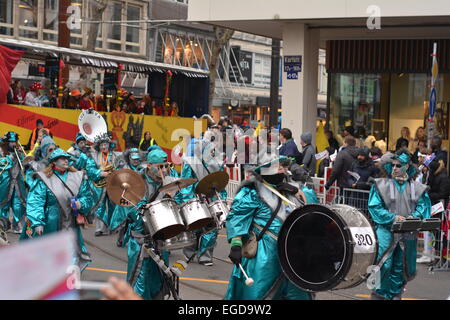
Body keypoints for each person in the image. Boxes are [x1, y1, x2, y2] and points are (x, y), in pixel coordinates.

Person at [225, 155, 313, 300]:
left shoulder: (292, 190)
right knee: (260, 295)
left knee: (296, 294)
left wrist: (299, 193)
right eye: (279, 167)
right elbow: (237, 217)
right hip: (264, 256)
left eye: (284, 167)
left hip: (293, 256)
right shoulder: (251, 192)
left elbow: (312, 213)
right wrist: (236, 244)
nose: (284, 171)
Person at [368, 148, 431, 300]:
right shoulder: (380, 185)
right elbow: (375, 206)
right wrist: (393, 218)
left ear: (407, 167)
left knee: (400, 267)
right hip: (386, 231)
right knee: (384, 264)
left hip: (407, 234)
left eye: (398, 165)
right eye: (393, 165)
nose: (395, 168)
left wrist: (410, 218)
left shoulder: (417, 188)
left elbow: (423, 208)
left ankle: (395, 295)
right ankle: (379, 295)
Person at [20, 148, 94, 271]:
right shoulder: (43, 179)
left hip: (70, 221)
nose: (66, 160)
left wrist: (81, 204)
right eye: (62, 158)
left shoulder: (77, 176)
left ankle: (66, 281)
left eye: (67, 158)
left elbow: (87, 197)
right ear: (54, 161)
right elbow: (36, 201)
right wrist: (37, 222)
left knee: (71, 253)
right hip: (50, 222)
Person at [121, 148, 179, 300]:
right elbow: (130, 210)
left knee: (159, 279)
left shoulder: (171, 182)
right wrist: (146, 207)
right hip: (142, 241)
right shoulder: (136, 183)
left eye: (166, 166)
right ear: (149, 166)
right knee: (140, 280)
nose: (164, 170)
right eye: (160, 166)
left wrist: (173, 199)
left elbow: (179, 206)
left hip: (161, 239)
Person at [176, 137, 227, 266]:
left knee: (212, 228)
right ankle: (190, 252)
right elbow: (187, 184)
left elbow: (221, 183)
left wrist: (223, 199)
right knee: (194, 227)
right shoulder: (190, 163)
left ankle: (206, 255)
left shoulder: (216, 163)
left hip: (212, 199)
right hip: (195, 199)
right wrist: (189, 201)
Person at [89, 133, 120, 237]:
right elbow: (90, 169)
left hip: (112, 184)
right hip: (99, 185)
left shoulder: (115, 155)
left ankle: (113, 226)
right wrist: (100, 173)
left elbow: (121, 167)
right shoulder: (94, 156)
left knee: (113, 205)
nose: (103, 147)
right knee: (100, 206)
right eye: (101, 145)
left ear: (109, 145)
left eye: (105, 144)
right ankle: (100, 229)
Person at [0, 132, 27, 234]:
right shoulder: (1, 150)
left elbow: (23, 164)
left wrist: (22, 157)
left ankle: (18, 226)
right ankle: (3, 225)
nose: (13, 144)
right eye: (11, 142)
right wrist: (8, 158)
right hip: (5, 182)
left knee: (18, 203)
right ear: (7, 142)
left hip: (17, 182)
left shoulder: (18, 152)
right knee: (3, 204)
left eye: (14, 142)